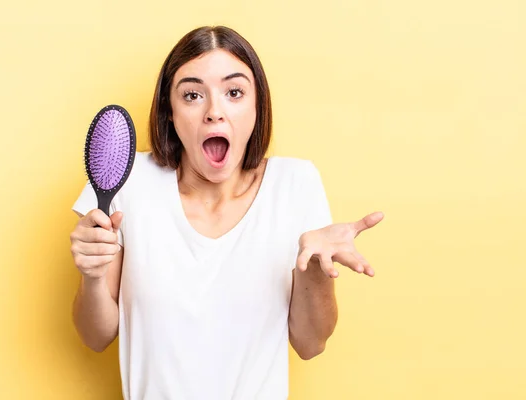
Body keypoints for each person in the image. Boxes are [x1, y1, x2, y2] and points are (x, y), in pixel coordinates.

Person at [69, 25, 384, 400]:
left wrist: (315, 270)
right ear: (169, 111)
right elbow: (95, 336)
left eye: (234, 93)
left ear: (256, 106)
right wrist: (91, 275)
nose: (214, 112)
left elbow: (310, 344)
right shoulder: (128, 181)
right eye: (192, 95)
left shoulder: (295, 183)